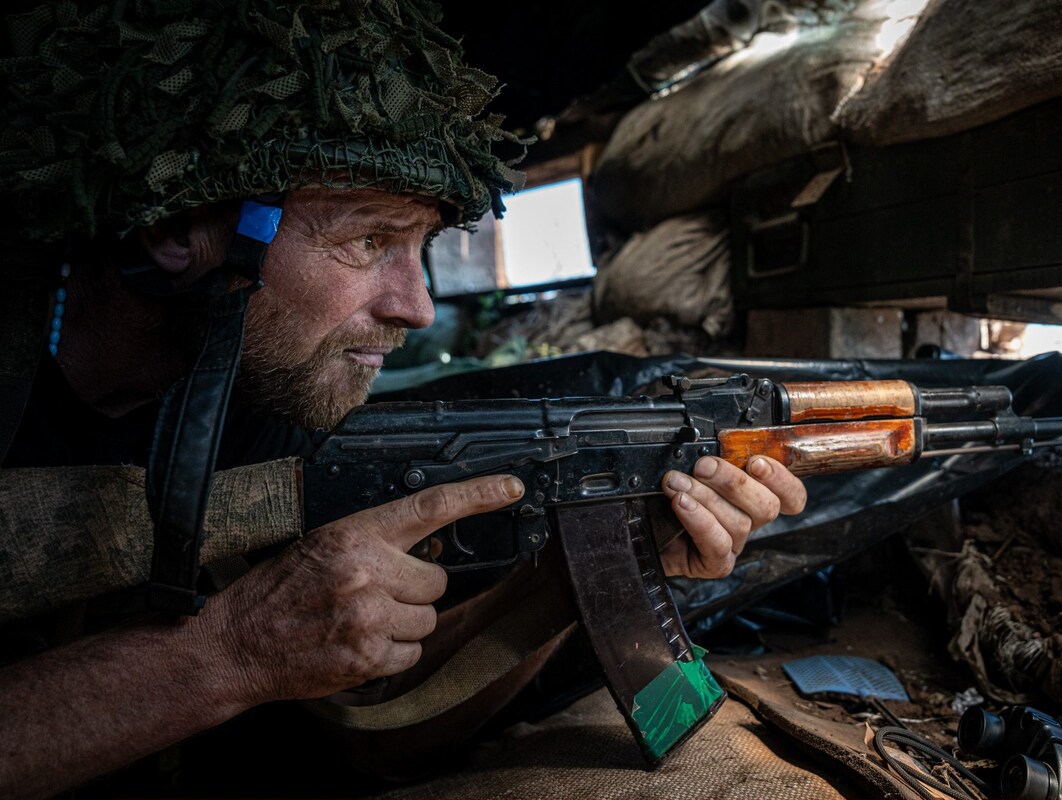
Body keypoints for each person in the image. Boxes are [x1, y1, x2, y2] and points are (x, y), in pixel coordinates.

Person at [0, 2, 807, 797]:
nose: (416, 306)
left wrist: (579, 573)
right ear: (177, 231)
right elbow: (233, 665)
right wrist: (228, 652)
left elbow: (368, 738)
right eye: (367, 240)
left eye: (419, 247)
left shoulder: (259, 400)